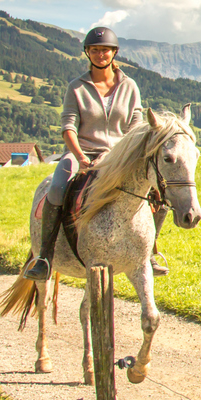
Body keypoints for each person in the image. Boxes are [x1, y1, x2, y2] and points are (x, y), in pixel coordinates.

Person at [21, 27, 143, 280]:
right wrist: (80, 157)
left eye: (105, 50)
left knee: (155, 186)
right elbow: (68, 127)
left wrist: (123, 155)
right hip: (82, 153)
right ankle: (44, 256)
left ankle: (149, 252)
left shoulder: (130, 86)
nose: (100, 54)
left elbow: (135, 124)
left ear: (114, 52)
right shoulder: (76, 87)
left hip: (118, 156)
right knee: (56, 189)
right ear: (87, 52)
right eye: (95, 50)